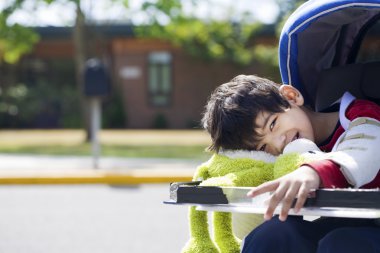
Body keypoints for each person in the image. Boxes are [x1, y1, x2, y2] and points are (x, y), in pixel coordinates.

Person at [201, 74, 380, 253]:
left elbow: (366, 151)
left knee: (341, 243)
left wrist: (312, 173)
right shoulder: (286, 155)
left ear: (290, 97)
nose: (278, 143)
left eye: (272, 125)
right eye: (263, 147)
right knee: (272, 234)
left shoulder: (362, 115)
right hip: (343, 223)